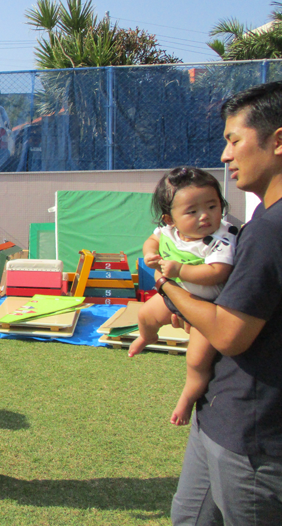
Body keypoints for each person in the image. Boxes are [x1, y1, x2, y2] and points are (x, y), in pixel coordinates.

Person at [154, 82, 282, 525]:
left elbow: (229, 332)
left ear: (278, 141)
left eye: (234, 140)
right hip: (221, 415)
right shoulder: (262, 217)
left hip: (251, 435)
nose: (226, 156)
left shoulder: (269, 229)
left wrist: (167, 286)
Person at [128, 167, 237, 426]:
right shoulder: (168, 232)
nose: (205, 216)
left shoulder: (221, 237)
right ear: (169, 219)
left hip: (205, 308)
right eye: (192, 211)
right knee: (144, 315)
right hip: (174, 297)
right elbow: (150, 242)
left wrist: (181, 270)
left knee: (197, 360)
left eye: (212, 206)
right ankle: (147, 336)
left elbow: (218, 272)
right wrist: (149, 255)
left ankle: (187, 398)